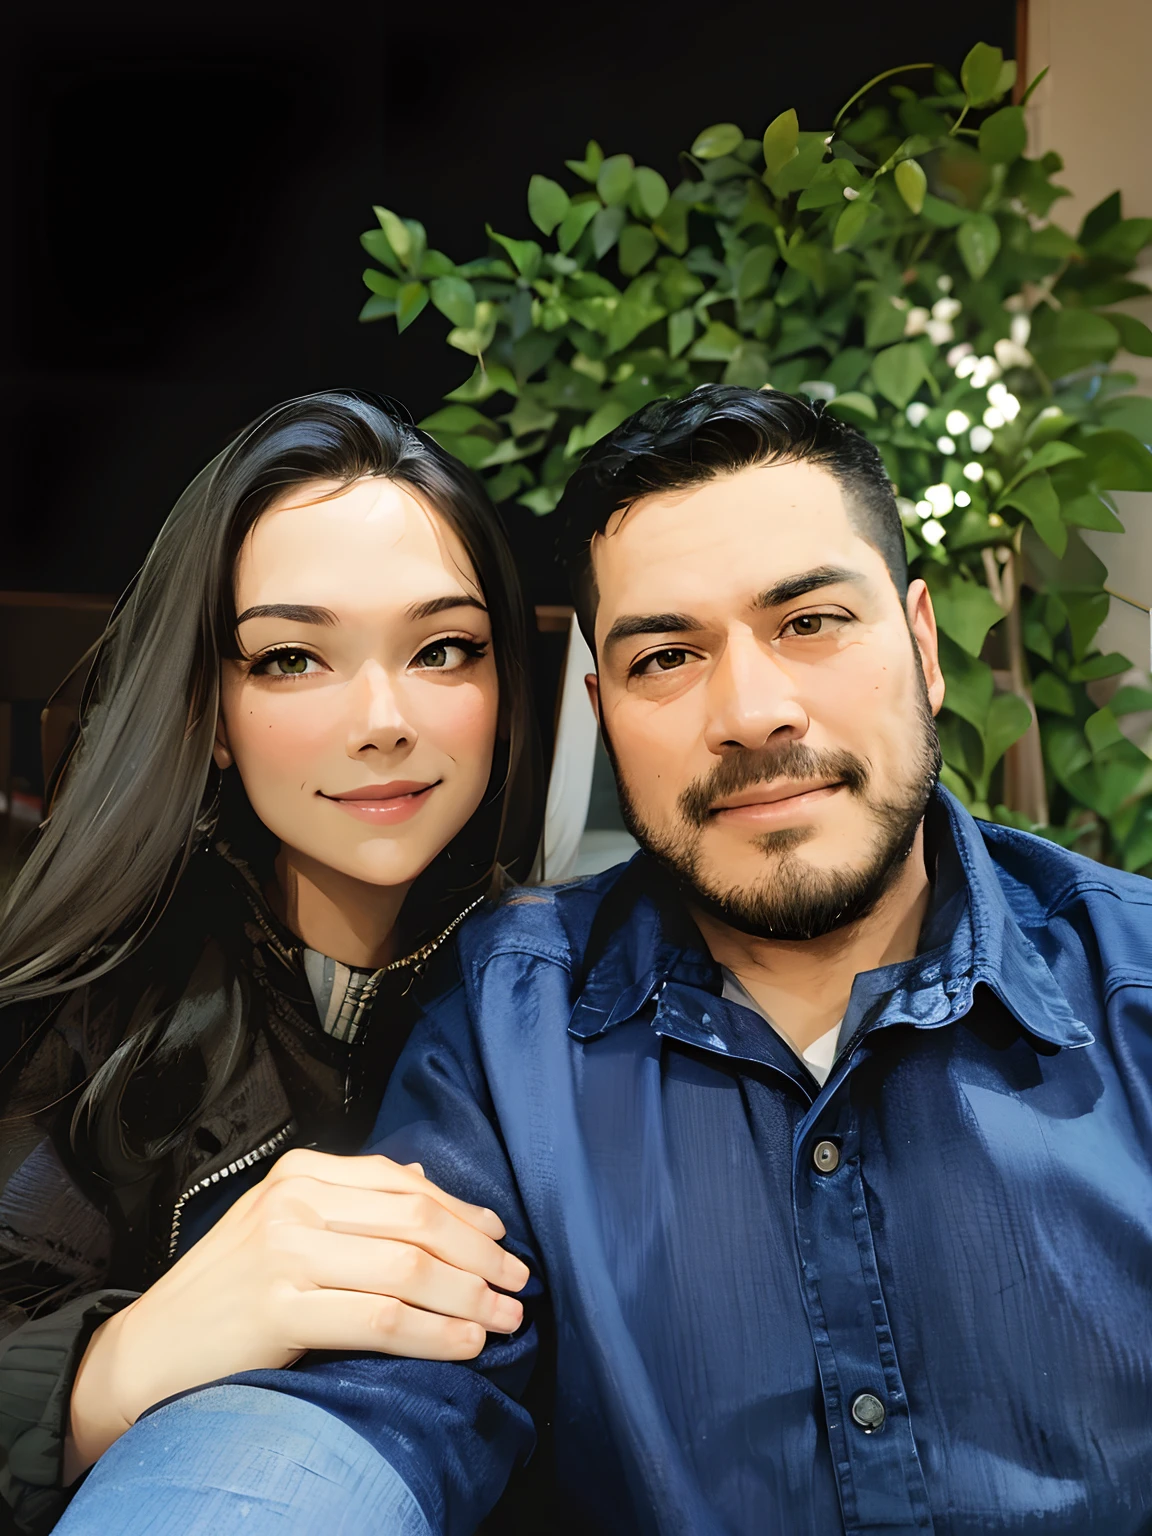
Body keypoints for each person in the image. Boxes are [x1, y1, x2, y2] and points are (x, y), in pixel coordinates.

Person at [54, 387, 1152, 1536]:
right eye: (667, 655)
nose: (754, 711)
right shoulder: (502, 1023)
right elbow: (362, 1417)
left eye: (812, 623)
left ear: (923, 646)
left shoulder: (1129, 991)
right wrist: (123, 1380)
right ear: (601, 708)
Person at [0, 390, 541, 1534]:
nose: (384, 718)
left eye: (444, 648)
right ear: (208, 710)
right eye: (295, 658)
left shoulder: (557, 990)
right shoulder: (85, 1002)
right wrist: (112, 1365)